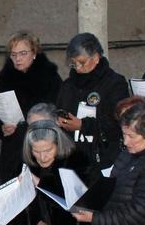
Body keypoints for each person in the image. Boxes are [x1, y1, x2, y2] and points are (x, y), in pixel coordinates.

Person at [55, 33, 128, 179]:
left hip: (103, 157)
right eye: (73, 63)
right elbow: (60, 108)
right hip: (73, 156)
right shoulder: (68, 85)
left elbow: (118, 123)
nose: (77, 68)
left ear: (95, 58)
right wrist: (60, 120)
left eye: (82, 63)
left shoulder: (115, 83)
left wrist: (83, 125)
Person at [0, 31, 61, 179]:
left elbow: (54, 113)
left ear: (34, 53)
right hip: (12, 148)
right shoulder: (5, 78)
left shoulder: (49, 77)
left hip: (39, 148)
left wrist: (25, 126)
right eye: (13, 55)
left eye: (23, 53)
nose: (17, 58)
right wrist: (2, 127)